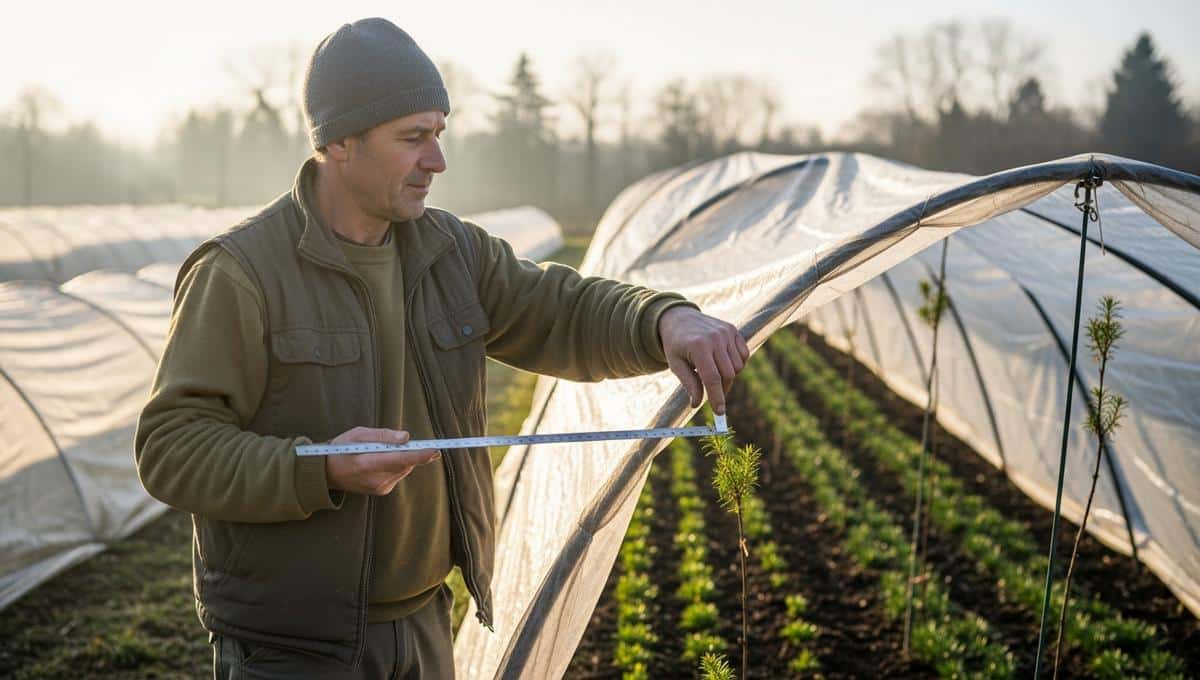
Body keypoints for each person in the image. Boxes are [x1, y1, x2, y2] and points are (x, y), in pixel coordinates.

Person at [135, 17, 748, 680]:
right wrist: (321, 468)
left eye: (438, 134)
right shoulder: (241, 272)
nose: (437, 160)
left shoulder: (450, 251)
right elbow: (172, 449)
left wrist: (665, 322)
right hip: (293, 649)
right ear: (338, 142)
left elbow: (559, 307)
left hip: (426, 626)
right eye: (413, 138)